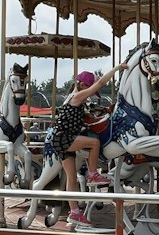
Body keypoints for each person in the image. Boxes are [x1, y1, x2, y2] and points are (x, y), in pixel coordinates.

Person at [53, 65, 124, 224]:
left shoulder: (74, 98)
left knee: (71, 178)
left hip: (60, 139)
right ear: (84, 85)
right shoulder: (77, 97)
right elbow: (99, 85)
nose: (90, 95)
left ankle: (75, 212)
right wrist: (117, 69)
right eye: (90, 89)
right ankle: (92, 174)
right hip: (64, 137)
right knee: (94, 142)